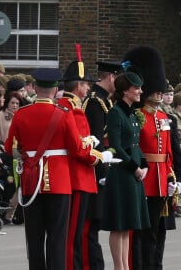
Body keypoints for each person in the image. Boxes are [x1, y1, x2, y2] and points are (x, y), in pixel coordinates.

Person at [4, 68, 102, 270]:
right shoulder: (64, 114)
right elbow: (77, 149)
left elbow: (9, 147)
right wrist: (95, 152)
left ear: (36, 88)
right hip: (59, 182)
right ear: (55, 89)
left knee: (34, 239)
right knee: (57, 239)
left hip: (31, 181)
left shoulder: (21, 114)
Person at [123, 45, 181, 270]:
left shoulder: (165, 118)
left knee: (158, 233)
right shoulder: (136, 117)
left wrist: (178, 180)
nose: (160, 93)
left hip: (163, 181)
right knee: (142, 234)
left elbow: (174, 154)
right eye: (157, 90)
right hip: (144, 179)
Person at [58, 60, 113, 270]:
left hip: (67, 177)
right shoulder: (75, 111)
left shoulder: (63, 106)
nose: (89, 87)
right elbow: (81, 149)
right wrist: (101, 157)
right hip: (80, 178)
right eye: (86, 83)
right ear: (78, 85)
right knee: (74, 233)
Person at [101, 70, 150, 270]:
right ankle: (119, 267)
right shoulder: (115, 112)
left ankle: (125, 266)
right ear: (125, 92)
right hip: (122, 172)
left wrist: (144, 164)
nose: (140, 91)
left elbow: (135, 144)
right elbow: (116, 145)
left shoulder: (130, 112)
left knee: (127, 225)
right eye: (136, 88)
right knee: (119, 224)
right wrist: (135, 168)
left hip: (134, 172)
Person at [83, 60, 122, 270]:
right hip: (97, 171)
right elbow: (96, 140)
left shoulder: (105, 101)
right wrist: (103, 172)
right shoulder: (95, 102)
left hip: (106, 167)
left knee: (97, 223)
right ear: (112, 77)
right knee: (92, 225)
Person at [0, 91, 24, 224]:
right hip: (4, 155)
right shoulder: (0, 116)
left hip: (19, 156)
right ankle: (6, 214)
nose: (14, 105)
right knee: (11, 183)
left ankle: (11, 214)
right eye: (12, 102)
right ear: (7, 102)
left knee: (19, 185)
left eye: (17, 103)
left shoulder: (21, 117)